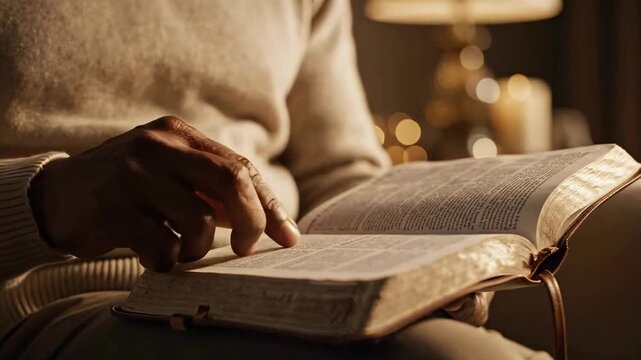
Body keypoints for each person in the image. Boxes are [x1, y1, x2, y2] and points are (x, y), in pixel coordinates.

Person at [0, 1, 554, 358]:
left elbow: (341, 172)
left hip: (279, 285)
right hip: (48, 300)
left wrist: (423, 265)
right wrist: (43, 200)